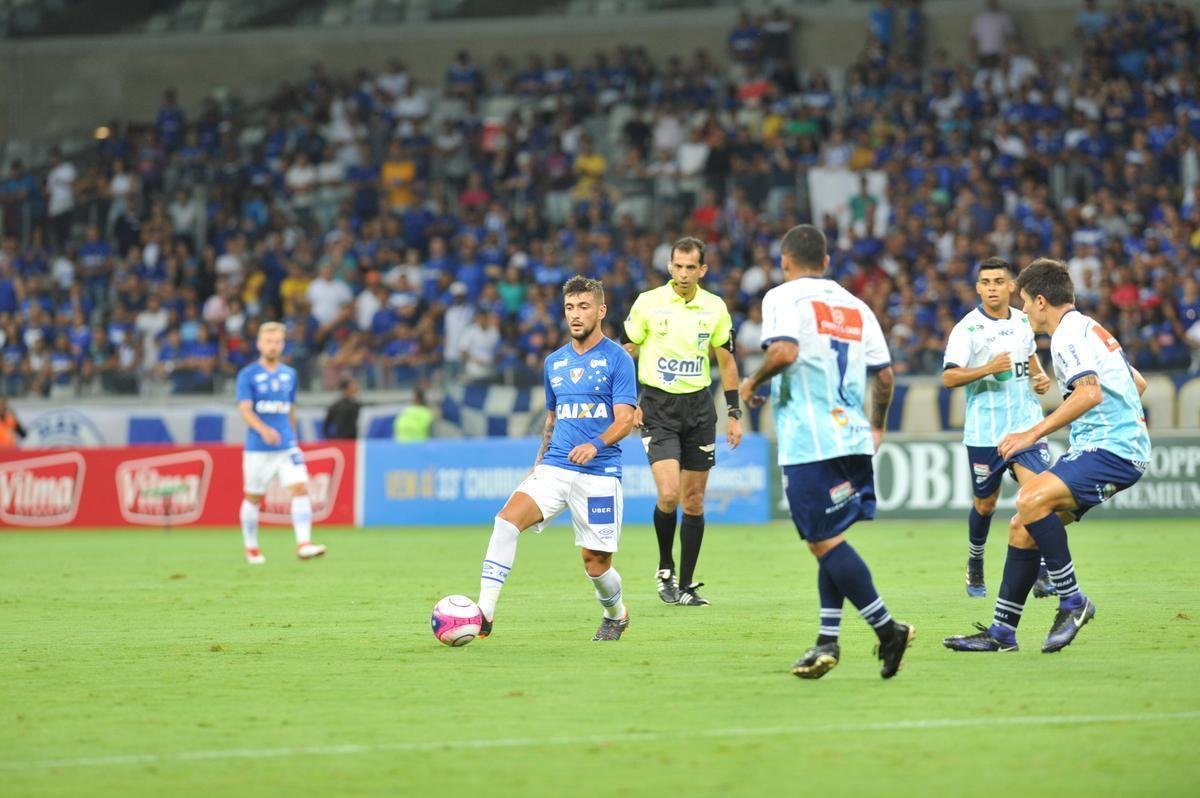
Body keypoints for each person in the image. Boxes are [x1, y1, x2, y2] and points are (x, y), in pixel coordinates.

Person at [945, 258, 1150, 654]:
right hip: (1108, 448)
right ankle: (1002, 632)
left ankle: (1073, 601)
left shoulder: (1065, 336)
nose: (1022, 311)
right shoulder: (1088, 328)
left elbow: (1090, 393)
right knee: (1022, 525)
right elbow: (1136, 383)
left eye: (1024, 301)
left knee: (1029, 497)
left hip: (1111, 451)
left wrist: (1031, 432)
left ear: (1041, 301)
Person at [738, 224, 913, 680]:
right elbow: (886, 377)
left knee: (823, 540)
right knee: (826, 539)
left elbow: (785, 352)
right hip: (853, 435)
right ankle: (827, 640)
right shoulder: (857, 307)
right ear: (828, 263)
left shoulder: (783, 297)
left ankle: (886, 628)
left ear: (785, 262)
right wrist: (877, 426)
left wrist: (752, 382)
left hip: (809, 439)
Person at [475, 276, 637, 642]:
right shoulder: (554, 362)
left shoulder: (618, 359)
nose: (576, 315)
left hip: (599, 472)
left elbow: (625, 419)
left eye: (583, 307)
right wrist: (539, 461)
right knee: (505, 522)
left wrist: (596, 444)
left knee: (596, 564)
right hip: (555, 466)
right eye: (569, 308)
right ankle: (484, 612)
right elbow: (552, 418)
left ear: (601, 310)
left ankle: (617, 614)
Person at [622, 236, 743, 607]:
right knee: (670, 494)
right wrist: (628, 402)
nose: (684, 273)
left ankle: (687, 585)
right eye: (678, 266)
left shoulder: (715, 308)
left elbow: (726, 360)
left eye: (692, 267)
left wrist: (734, 413)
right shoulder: (648, 303)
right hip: (658, 407)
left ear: (702, 270)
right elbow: (627, 351)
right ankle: (665, 569)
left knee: (693, 501)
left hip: (700, 408)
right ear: (670, 266)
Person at [941, 258, 1056, 598]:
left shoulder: (1023, 319)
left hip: (1026, 429)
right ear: (978, 288)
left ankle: (1045, 571)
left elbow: (1030, 355)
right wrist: (987, 368)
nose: (991, 287)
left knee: (1040, 496)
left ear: (1011, 287)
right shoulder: (967, 329)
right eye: (985, 282)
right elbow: (948, 377)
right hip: (985, 434)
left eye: (998, 281)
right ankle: (975, 560)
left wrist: (1039, 376)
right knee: (985, 505)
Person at [235, 322, 326, 565]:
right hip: (258, 448)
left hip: (287, 445)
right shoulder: (248, 375)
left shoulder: (290, 374)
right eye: (268, 341)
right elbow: (244, 410)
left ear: (282, 345)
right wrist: (263, 430)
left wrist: (293, 436)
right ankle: (251, 547)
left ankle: (304, 544)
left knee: (300, 488)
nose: (273, 346)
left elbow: (291, 408)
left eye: (277, 342)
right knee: (253, 497)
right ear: (259, 344)